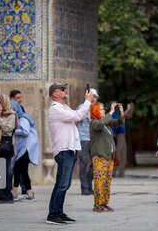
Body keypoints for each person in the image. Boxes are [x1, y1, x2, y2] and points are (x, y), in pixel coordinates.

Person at [46, 83, 94, 225]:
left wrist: (88, 103)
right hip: (64, 150)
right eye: (62, 89)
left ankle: (58, 212)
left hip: (70, 149)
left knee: (64, 184)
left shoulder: (64, 107)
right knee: (62, 184)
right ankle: (53, 214)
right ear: (55, 94)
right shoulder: (56, 109)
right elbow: (77, 115)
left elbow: (80, 116)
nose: (65, 90)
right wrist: (87, 101)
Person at [90, 102, 124, 213]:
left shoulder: (107, 123)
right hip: (100, 156)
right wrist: (110, 112)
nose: (103, 110)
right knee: (99, 182)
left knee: (106, 182)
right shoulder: (94, 123)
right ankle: (97, 205)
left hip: (109, 157)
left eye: (104, 109)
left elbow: (118, 123)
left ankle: (104, 203)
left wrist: (121, 114)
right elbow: (99, 124)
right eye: (101, 109)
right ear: (95, 111)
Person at [0, 94, 18, 204]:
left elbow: (7, 129)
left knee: (4, 172)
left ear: (5, 103)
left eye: (0, 102)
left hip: (5, 146)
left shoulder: (12, 115)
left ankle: (7, 196)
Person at [10, 100, 39, 202]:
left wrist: (13, 131)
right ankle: (30, 194)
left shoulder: (23, 119)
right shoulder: (19, 119)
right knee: (23, 172)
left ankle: (14, 193)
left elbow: (25, 132)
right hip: (23, 149)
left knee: (17, 170)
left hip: (25, 149)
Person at [76, 88, 99, 195]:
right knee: (83, 163)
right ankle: (84, 188)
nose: (94, 98)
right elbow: (75, 121)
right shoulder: (82, 107)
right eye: (92, 96)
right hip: (83, 139)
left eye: (95, 97)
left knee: (95, 163)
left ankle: (89, 185)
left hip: (94, 139)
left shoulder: (98, 108)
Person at [9, 90, 30, 195]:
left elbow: (25, 130)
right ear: (12, 99)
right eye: (18, 98)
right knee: (16, 169)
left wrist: (14, 131)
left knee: (20, 169)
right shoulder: (8, 113)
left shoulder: (22, 116)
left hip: (21, 146)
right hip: (12, 146)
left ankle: (21, 190)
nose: (20, 100)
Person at [111, 101, 134, 177]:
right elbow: (121, 117)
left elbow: (127, 116)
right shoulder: (112, 114)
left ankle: (121, 173)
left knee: (123, 154)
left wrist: (130, 109)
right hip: (115, 135)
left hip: (121, 134)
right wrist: (126, 110)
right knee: (117, 154)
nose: (117, 106)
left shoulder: (120, 113)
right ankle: (113, 172)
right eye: (115, 105)